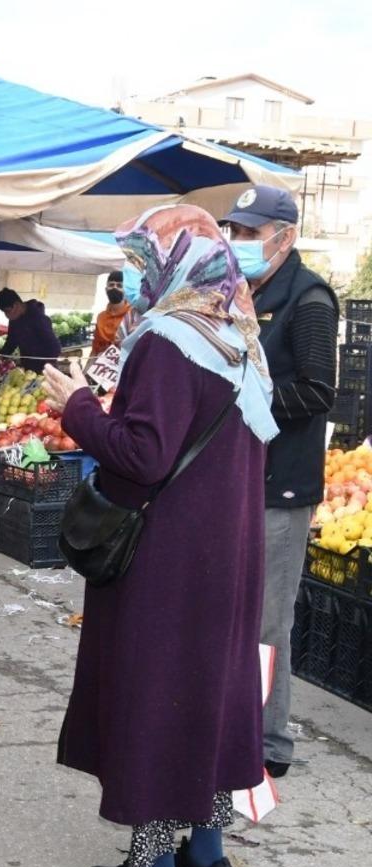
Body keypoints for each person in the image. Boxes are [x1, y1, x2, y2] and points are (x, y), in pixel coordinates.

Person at [43, 204, 275, 867]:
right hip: (228, 554)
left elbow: (144, 455)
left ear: (175, 263)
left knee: (160, 696)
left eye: (146, 260)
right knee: (209, 695)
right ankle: (209, 856)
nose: (137, 275)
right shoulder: (236, 334)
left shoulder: (169, 338)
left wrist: (77, 407)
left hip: (168, 558)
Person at [222, 184, 338, 779]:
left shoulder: (309, 297)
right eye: (234, 231)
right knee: (238, 613)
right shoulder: (243, 291)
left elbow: (320, 390)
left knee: (269, 619)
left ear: (283, 236)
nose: (237, 242)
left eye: (247, 232)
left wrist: (250, 400)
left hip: (283, 484)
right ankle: (238, 723)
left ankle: (270, 742)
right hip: (241, 477)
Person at [0, 287, 61, 372]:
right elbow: (11, 342)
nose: (6, 315)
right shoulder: (14, 320)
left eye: (7, 311)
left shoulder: (38, 318)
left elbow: (55, 348)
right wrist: (1, 356)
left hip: (46, 371)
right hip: (28, 369)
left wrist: (46, 366)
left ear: (16, 305)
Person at [89, 270, 130, 356]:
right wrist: (87, 369)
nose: (115, 288)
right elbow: (95, 349)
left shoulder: (131, 315)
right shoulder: (101, 317)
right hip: (104, 364)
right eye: (111, 285)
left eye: (119, 285)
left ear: (125, 290)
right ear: (106, 289)